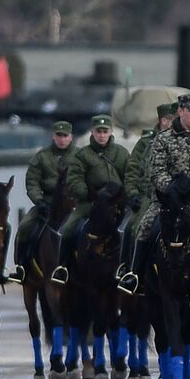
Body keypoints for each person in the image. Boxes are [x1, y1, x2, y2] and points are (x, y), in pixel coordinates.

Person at [117, 94, 190, 295]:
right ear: (180, 112)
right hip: (171, 197)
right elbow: (157, 171)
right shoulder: (163, 139)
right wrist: (171, 188)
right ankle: (135, 276)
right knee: (145, 227)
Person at [54, 114, 130, 285]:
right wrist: (88, 193)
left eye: (105, 131)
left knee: (130, 229)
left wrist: (126, 194)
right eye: (98, 131)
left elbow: (130, 176)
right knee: (66, 229)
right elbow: (74, 180)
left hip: (117, 202)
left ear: (111, 132)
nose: (101, 135)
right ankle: (63, 267)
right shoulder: (82, 155)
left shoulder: (122, 153)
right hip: (91, 202)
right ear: (92, 132)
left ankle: (129, 268)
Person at [7, 121, 74, 285]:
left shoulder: (79, 157)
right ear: (53, 136)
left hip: (73, 205)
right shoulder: (42, 156)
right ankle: (21, 267)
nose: (62, 139)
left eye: (65, 136)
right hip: (47, 204)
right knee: (24, 227)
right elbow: (32, 182)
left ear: (71, 137)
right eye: (59, 136)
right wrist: (39, 201)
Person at [117, 103, 176, 282]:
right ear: (160, 120)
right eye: (166, 119)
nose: (169, 123)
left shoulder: (180, 139)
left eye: (173, 119)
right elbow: (132, 170)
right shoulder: (146, 141)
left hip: (172, 196)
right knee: (133, 226)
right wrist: (133, 193)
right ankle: (129, 270)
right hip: (147, 196)